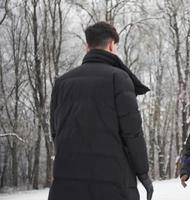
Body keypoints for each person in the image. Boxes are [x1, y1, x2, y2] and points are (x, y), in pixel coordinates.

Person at [48, 22, 153, 200]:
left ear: (87, 46)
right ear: (112, 44)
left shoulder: (62, 82)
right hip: (113, 180)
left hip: (67, 181)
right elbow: (132, 133)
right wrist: (143, 174)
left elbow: (55, 132)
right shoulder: (119, 78)